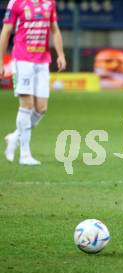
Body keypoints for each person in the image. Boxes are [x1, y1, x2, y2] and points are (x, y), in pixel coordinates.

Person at [1, 0, 66, 165]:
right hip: (22, 60)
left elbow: (55, 30)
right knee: (26, 106)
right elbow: (6, 31)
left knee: (41, 108)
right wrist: (0, 61)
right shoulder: (16, 3)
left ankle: (15, 137)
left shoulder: (49, 3)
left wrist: (60, 54)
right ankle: (24, 154)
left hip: (42, 61)